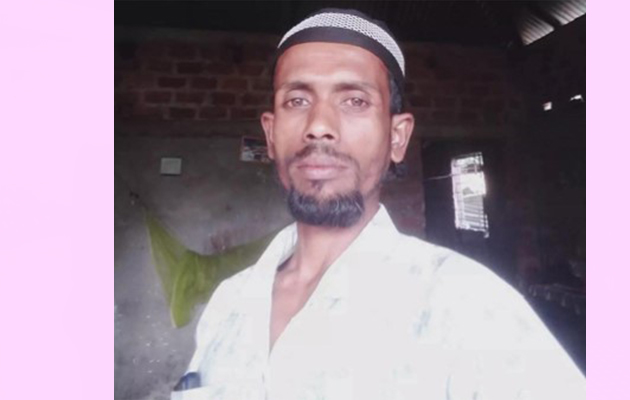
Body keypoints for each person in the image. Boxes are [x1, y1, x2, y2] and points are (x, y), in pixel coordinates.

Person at [173, 8, 585, 400]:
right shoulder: (229, 302)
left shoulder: (468, 305)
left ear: (397, 137)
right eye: (297, 101)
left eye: (354, 100)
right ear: (270, 133)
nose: (319, 126)